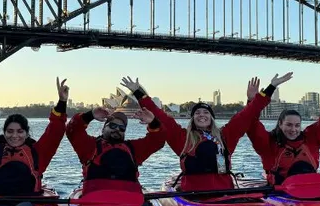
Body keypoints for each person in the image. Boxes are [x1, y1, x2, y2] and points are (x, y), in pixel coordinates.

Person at [120, 73, 293, 191]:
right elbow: (160, 116)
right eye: (197, 113)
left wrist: (270, 87)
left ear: (211, 117)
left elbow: (248, 114)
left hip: (223, 194)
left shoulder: (226, 135)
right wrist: (138, 92)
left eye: (205, 113)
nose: (201, 115)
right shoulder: (182, 138)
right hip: (192, 197)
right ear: (192, 119)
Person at [0, 69, 69, 206]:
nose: (15, 135)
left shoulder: (38, 153)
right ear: (4, 133)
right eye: (10, 131)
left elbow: (55, 131)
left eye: (20, 131)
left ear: (26, 133)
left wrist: (62, 102)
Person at [245, 77, 320, 185]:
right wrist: (253, 101)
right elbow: (252, 125)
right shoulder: (267, 143)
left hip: (309, 188)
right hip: (279, 192)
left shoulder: (311, 139)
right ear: (280, 124)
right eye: (289, 125)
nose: (293, 129)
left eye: (297, 125)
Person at [66, 104, 167, 196]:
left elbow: (158, 140)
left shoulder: (134, 149)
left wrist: (153, 122)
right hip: (94, 203)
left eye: (122, 128)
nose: (117, 129)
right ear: (103, 129)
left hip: (130, 203)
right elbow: (73, 130)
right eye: (113, 125)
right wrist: (90, 115)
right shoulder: (90, 146)